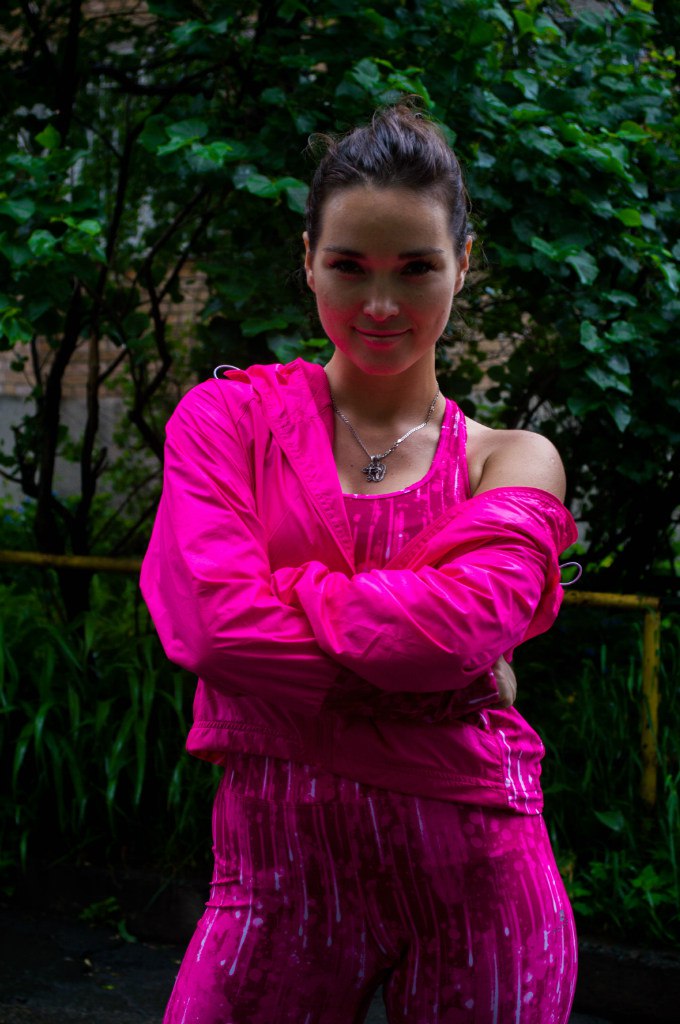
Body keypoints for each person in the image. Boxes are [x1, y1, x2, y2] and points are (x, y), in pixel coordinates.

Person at [141, 104, 578, 1024]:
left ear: (464, 262)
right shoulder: (227, 423)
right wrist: (447, 683)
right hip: (275, 885)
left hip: (481, 881)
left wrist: (293, 591)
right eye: (349, 266)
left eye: (416, 268)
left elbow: (455, 630)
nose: (380, 305)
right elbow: (214, 629)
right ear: (308, 260)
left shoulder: (511, 460)